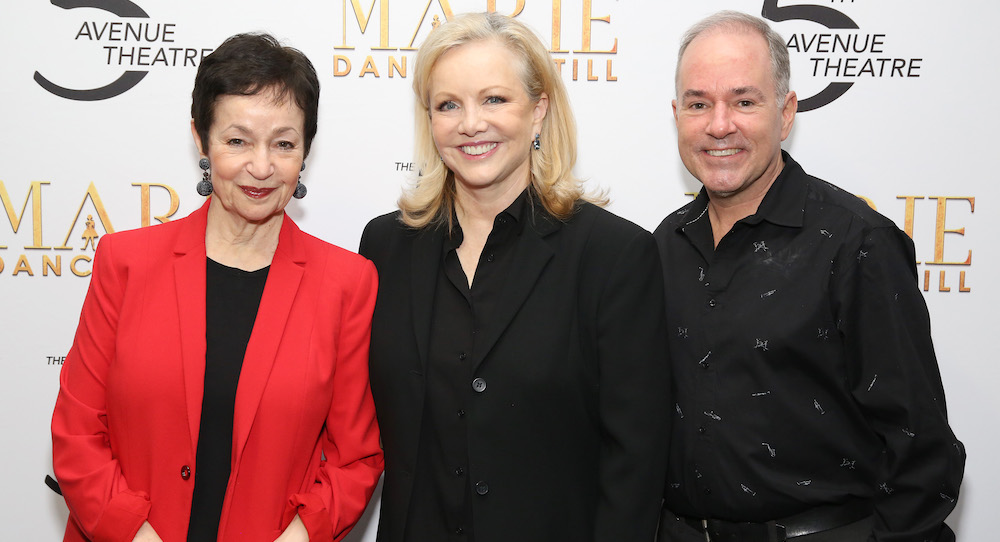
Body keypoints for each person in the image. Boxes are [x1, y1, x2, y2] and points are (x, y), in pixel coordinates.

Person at [51, 33, 383, 542]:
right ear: (201, 140)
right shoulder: (126, 263)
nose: (261, 167)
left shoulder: (347, 283)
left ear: (305, 152)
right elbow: (77, 435)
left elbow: (355, 459)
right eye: (237, 140)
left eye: (284, 143)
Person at [653, 10, 965, 542]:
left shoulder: (857, 242)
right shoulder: (663, 244)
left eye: (744, 101)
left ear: (786, 112)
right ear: (676, 114)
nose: (719, 124)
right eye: (698, 103)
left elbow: (920, 446)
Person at [359, 12, 669, 542]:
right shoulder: (386, 246)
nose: (471, 123)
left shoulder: (613, 255)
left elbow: (636, 462)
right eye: (448, 105)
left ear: (539, 110)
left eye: (494, 99)